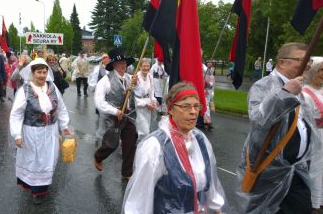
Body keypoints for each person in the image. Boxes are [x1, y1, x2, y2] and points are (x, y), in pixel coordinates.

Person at [237, 43, 322, 214]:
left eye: (309, 60)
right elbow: (259, 119)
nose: (307, 64)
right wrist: (285, 93)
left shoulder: (299, 88)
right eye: (301, 59)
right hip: (268, 173)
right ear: (282, 63)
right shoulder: (263, 86)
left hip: (296, 171)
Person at [122, 82, 225, 214]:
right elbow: (139, 202)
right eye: (185, 106)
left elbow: (210, 188)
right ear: (170, 109)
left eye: (196, 106)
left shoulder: (200, 140)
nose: (193, 112)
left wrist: (217, 209)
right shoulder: (156, 146)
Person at [9, 58, 70, 205]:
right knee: (35, 160)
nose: (42, 75)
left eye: (44, 72)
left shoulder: (52, 87)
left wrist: (65, 126)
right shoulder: (25, 90)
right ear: (32, 73)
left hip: (51, 131)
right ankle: (37, 190)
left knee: (49, 158)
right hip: (32, 132)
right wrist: (16, 134)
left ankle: (43, 186)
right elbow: (16, 114)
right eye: (39, 72)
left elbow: (61, 108)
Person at [93, 48, 138, 181]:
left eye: (124, 62)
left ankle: (127, 173)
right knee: (111, 144)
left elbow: (137, 95)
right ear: (113, 65)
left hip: (128, 116)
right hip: (113, 117)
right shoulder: (105, 81)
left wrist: (136, 87)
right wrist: (115, 111)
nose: (123, 65)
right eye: (119, 63)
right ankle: (98, 156)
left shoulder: (130, 79)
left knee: (130, 144)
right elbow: (99, 102)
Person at [302, 57, 323, 212]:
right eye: (321, 70)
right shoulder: (305, 94)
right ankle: (313, 204)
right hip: (315, 138)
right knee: (315, 170)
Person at [133, 58, 158, 142]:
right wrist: (145, 104)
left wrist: (153, 101)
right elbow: (133, 97)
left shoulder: (150, 77)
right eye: (144, 66)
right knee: (144, 132)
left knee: (147, 128)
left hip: (149, 106)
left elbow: (152, 92)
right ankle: (141, 148)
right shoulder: (135, 78)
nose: (146, 68)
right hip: (139, 107)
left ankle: (138, 145)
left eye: (148, 66)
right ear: (140, 67)